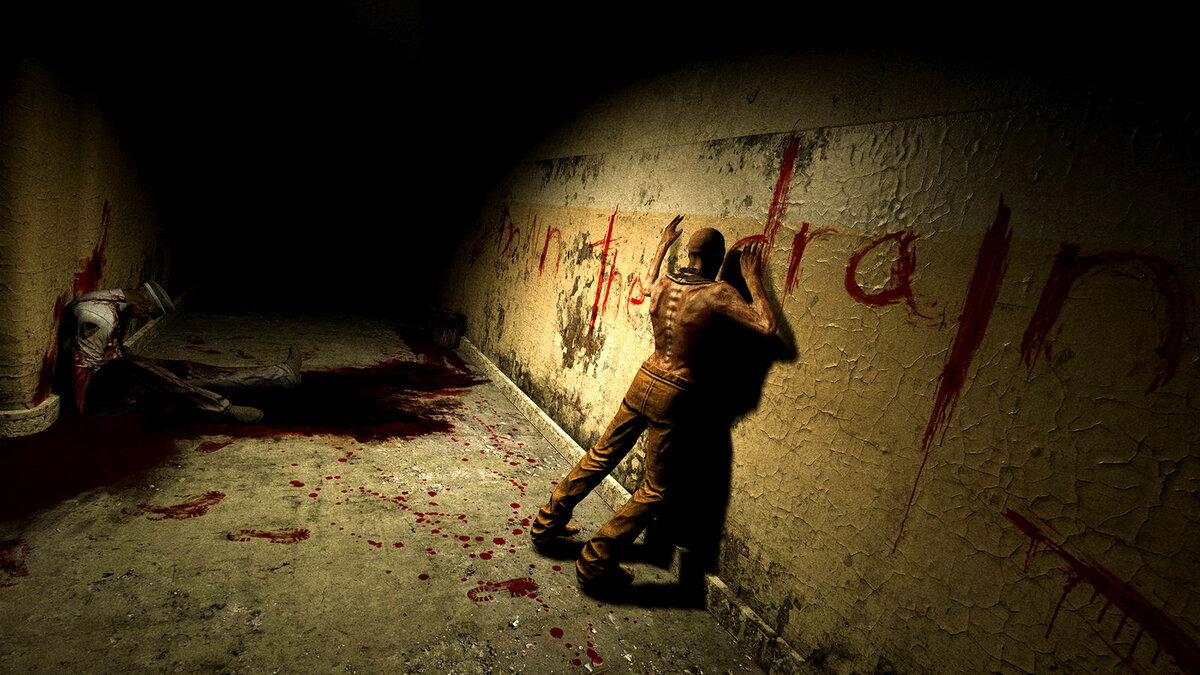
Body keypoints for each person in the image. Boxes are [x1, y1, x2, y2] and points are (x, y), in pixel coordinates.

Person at [530, 216, 779, 590]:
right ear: (717, 257)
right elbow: (766, 326)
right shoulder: (719, 293)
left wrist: (663, 244)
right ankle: (596, 561)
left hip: (644, 377)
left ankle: (546, 524)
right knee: (657, 489)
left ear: (689, 253)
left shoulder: (664, 283)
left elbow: (646, 283)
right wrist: (754, 279)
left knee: (601, 455)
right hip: (676, 390)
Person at [70, 281, 300, 422]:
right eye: (149, 313)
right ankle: (219, 407)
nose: (146, 317)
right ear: (146, 304)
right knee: (149, 372)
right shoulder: (99, 317)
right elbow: (83, 364)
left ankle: (279, 375)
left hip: (116, 369)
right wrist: (82, 410)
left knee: (183, 368)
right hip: (101, 383)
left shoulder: (117, 299)